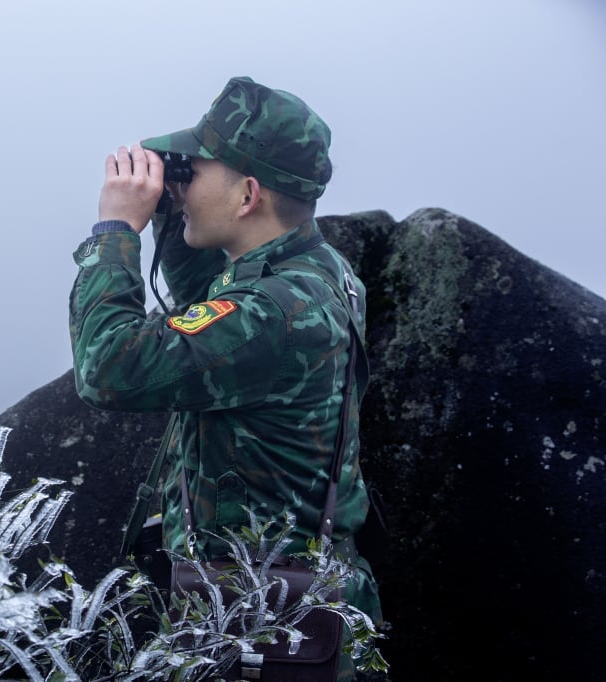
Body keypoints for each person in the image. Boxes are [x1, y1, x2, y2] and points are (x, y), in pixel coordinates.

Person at [67, 76, 383, 676]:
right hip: (281, 602)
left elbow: (108, 370)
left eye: (197, 170)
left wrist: (114, 233)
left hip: (261, 627)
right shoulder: (317, 269)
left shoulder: (278, 312)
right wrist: (174, 207)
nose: (182, 183)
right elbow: (206, 314)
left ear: (247, 196)